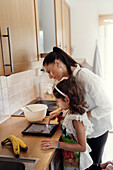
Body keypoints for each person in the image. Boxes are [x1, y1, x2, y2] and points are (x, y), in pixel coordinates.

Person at [43, 46, 112, 164]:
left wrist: (82, 117)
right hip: (86, 130)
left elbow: (107, 106)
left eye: (49, 71)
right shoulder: (71, 78)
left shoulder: (86, 77)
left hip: (97, 130)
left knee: (93, 165)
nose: (50, 76)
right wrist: (60, 110)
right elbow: (76, 100)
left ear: (57, 63)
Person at [41, 76, 94, 170]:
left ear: (67, 100)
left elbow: (82, 147)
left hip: (77, 162)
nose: (57, 105)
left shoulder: (77, 119)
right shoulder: (70, 110)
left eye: (57, 101)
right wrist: (59, 114)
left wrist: (57, 144)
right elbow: (70, 127)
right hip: (69, 157)